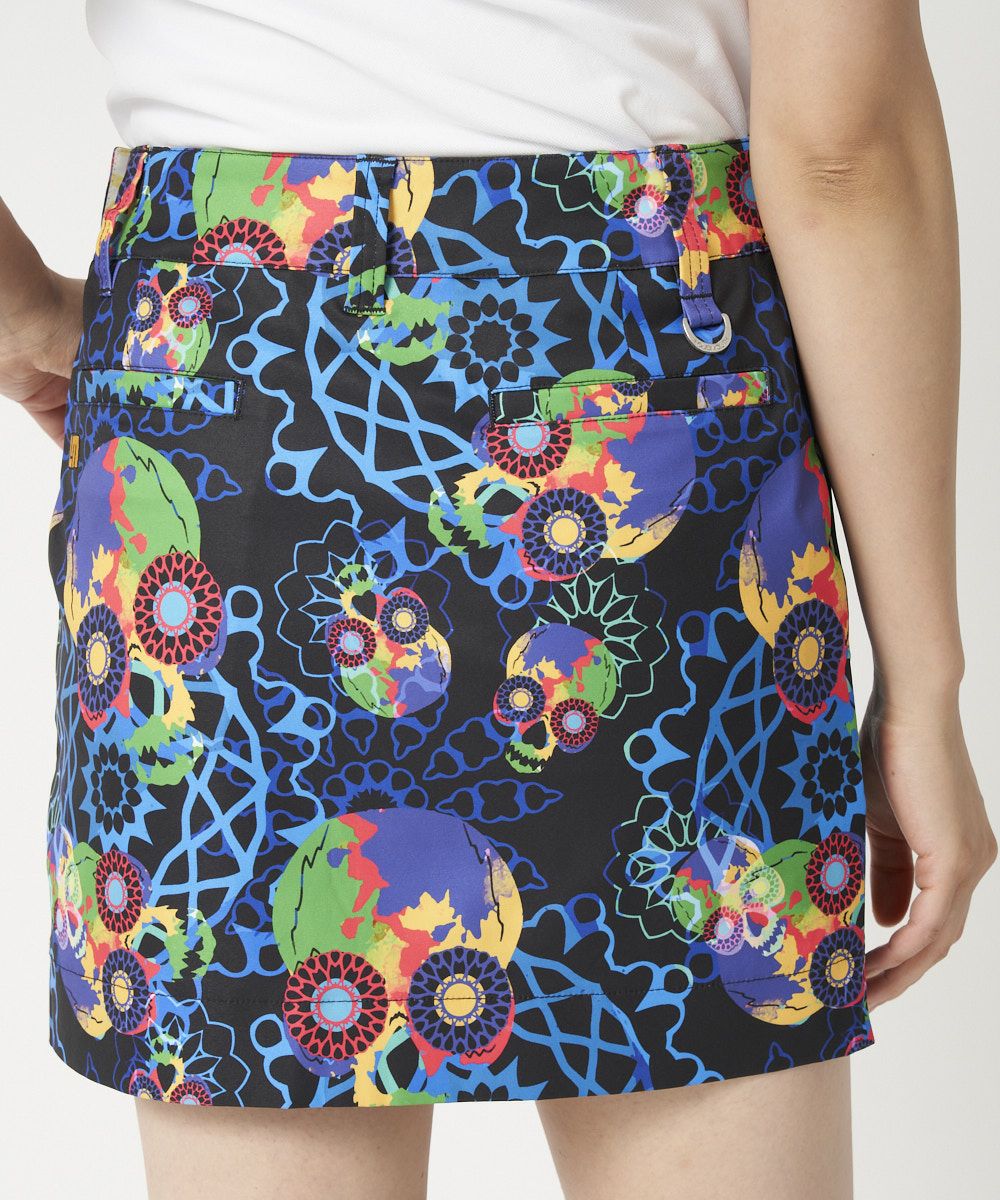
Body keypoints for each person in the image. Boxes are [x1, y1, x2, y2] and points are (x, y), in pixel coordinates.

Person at [1, 2, 995, 1198]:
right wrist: (921, 683)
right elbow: (841, 155)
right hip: (635, 389)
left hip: (226, 374)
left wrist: (22, 315)